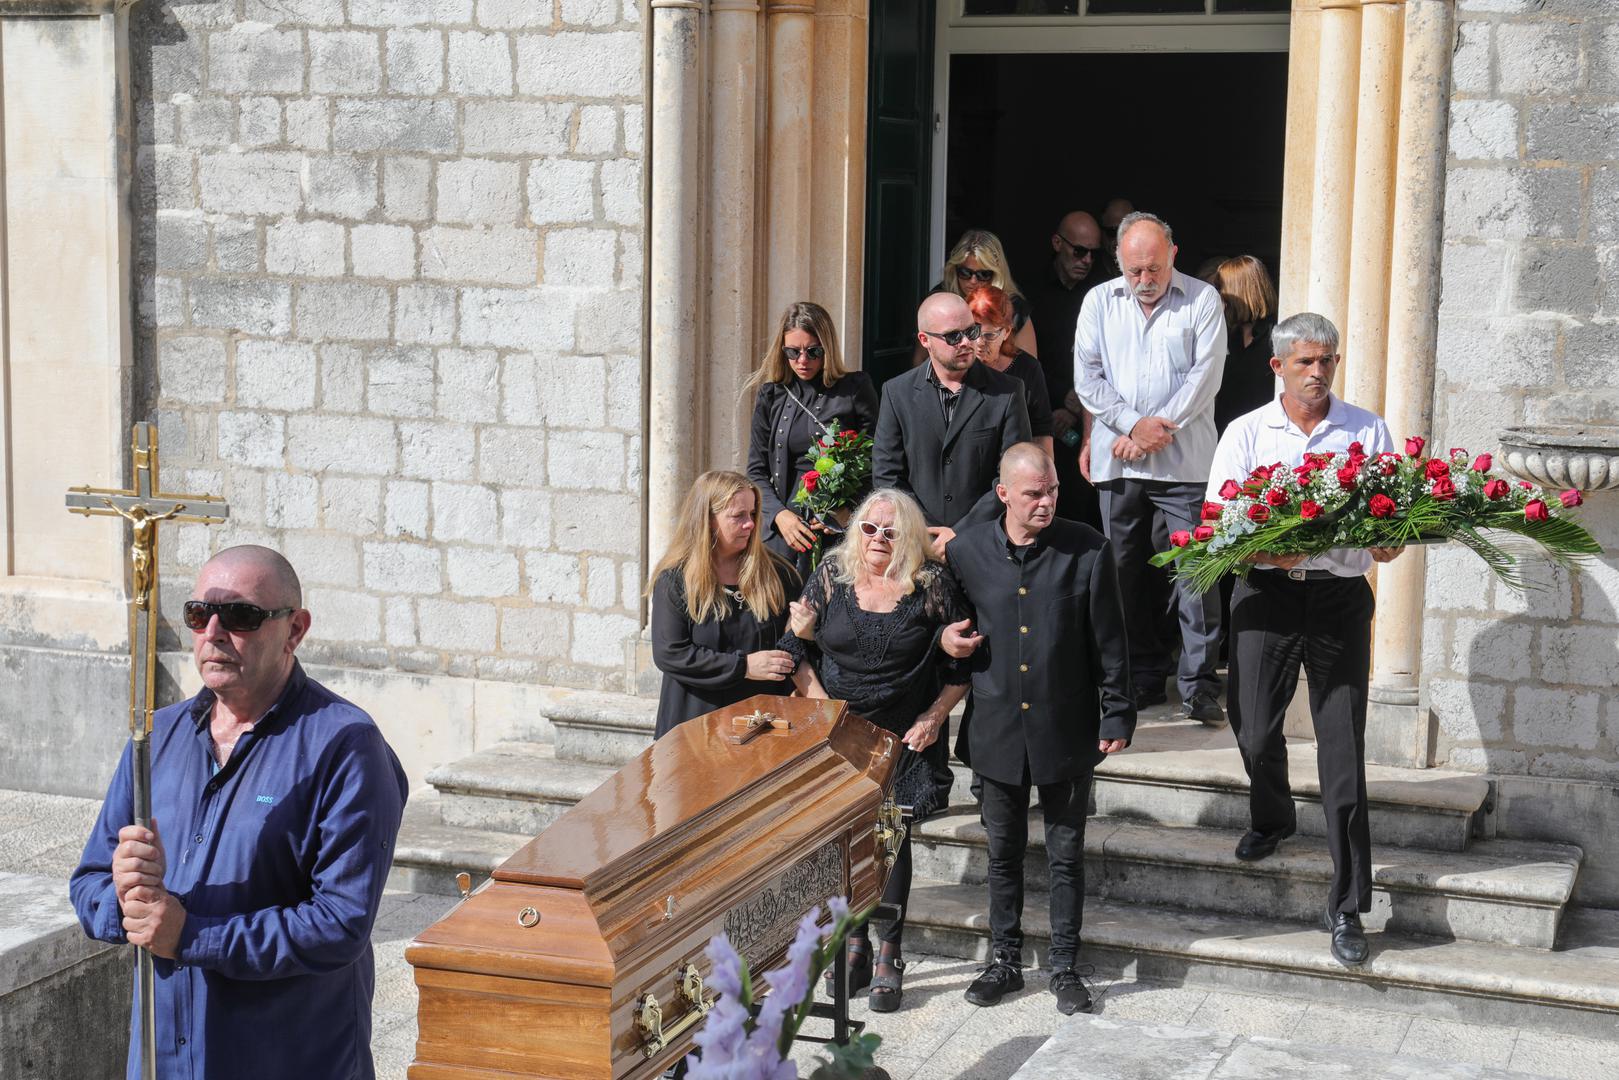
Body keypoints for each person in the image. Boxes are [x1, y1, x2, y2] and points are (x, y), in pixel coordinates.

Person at [69, 545, 408, 1080]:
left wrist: (189, 935)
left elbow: (340, 924)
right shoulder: (157, 736)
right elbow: (90, 885)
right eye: (200, 614)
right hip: (167, 1061)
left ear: (295, 630)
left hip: (283, 1059)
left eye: (243, 616)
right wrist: (125, 898)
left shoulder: (345, 746)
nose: (214, 633)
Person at [1207, 312, 1402, 969]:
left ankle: (1347, 906)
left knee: (1341, 752)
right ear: (1277, 367)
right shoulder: (1244, 434)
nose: (1317, 373)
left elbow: (1391, 535)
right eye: (1305, 362)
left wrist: (1388, 537)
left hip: (1339, 599)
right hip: (1266, 597)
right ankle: (1271, 817)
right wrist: (1274, 547)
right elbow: (1221, 528)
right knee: (1255, 730)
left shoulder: (1367, 430)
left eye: (1327, 362)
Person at [944, 444, 1134, 1015]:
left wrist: (1117, 712)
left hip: (1066, 726)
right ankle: (1003, 960)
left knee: (1066, 853)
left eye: (1051, 490)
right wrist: (945, 642)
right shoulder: (967, 552)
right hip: (997, 726)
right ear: (1003, 494)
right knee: (1002, 852)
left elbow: (1111, 643)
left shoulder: (1089, 550)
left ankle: (1065, 967)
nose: (1047, 502)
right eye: (1034, 494)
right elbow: (946, 625)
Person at [781, 488, 973, 1013]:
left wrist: (935, 717)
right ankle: (853, 942)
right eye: (869, 529)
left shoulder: (930, 584)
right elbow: (792, 649)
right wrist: (824, 711)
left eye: (890, 531)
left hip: (903, 736)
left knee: (891, 837)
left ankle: (890, 950)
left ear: (908, 536)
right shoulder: (831, 575)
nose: (878, 540)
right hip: (839, 734)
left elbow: (962, 668)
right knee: (845, 840)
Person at [1074, 211, 1227, 724]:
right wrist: (1133, 426)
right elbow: (1087, 379)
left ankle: (1199, 684)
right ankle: (1137, 676)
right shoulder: (1099, 301)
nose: (1144, 280)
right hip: (1119, 464)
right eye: (1134, 270)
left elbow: (1204, 379)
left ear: (1173, 255)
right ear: (1119, 261)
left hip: (1184, 463)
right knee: (1120, 576)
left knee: (1195, 576)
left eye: (1154, 269)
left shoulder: (1202, 301)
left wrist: (1153, 431)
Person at [875, 292, 1031, 560]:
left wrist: (961, 533)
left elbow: (1013, 476)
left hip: (984, 546)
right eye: (953, 336)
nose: (967, 342)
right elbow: (887, 475)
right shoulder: (896, 393)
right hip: (917, 545)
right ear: (925, 340)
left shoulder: (1007, 392)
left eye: (971, 331)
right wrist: (926, 532)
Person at [650, 470, 801, 737]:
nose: (751, 524)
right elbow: (671, 653)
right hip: (694, 729)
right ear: (707, 520)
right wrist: (744, 667)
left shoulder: (778, 574)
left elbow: (796, 645)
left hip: (762, 728)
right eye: (738, 516)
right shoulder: (676, 580)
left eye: (753, 513)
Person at [745, 301, 880, 576]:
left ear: (827, 348)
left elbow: (876, 461)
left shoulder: (854, 388)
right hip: (784, 532)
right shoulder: (772, 395)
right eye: (793, 352)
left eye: (813, 351)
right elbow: (756, 470)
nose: (803, 361)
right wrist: (779, 517)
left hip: (837, 530)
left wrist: (849, 512)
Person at [1025, 210, 1106, 528]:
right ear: (1058, 243)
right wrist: (1059, 400)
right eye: (1079, 250)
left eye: (1094, 253)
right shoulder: (1031, 294)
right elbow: (1023, 359)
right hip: (1043, 412)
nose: (1087, 260)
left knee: (1086, 507)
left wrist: (1075, 408)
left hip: (1088, 420)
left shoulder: (1102, 294)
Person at [913, 229, 1038, 366]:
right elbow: (920, 360)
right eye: (965, 272)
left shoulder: (1014, 307)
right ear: (955, 269)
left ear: (997, 274)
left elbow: (1028, 368)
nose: (973, 281)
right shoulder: (940, 300)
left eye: (983, 274)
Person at [966, 284, 1054, 458]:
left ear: (1006, 332)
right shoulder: (960, 364)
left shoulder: (1027, 369)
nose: (980, 342)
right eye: (973, 331)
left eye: (989, 335)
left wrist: (1046, 481)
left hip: (1015, 465)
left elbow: (1042, 432)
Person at [1208, 255, 1279, 436]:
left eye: (1220, 287)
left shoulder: (1277, 336)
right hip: (1226, 431)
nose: (1217, 294)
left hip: (1264, 432)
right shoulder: (1227, 334)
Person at [1099, 197, 1134, 272]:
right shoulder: (1088, 273)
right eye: (1112, 231)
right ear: (1101, 233)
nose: (1119, 239)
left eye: (1126, 231)